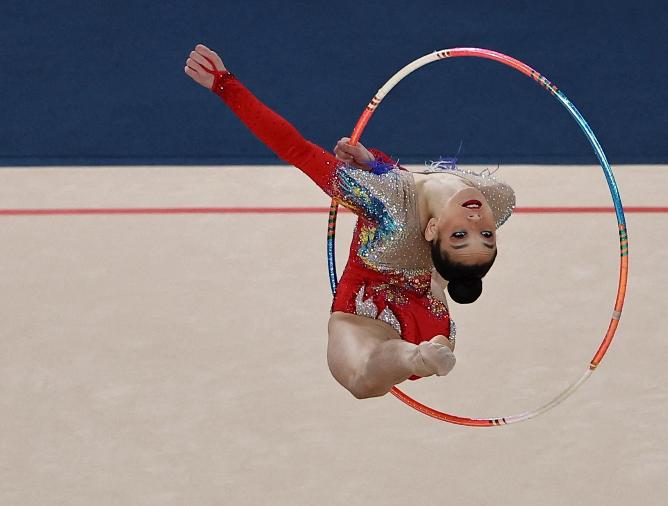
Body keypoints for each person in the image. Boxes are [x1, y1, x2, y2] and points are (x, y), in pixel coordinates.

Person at [184, 44, 515, 398]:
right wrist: (377, 165)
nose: (478, 217)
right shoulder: (499, 199)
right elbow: (411, 189)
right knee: (368, 373)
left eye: (461, 235)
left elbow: (297, 150)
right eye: (486, 235)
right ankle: (414, 355)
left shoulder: (379, 198)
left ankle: (415, 357)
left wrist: (225, 85)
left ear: (434, 230)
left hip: (366, 310)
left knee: (359, 381)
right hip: (423, 316)